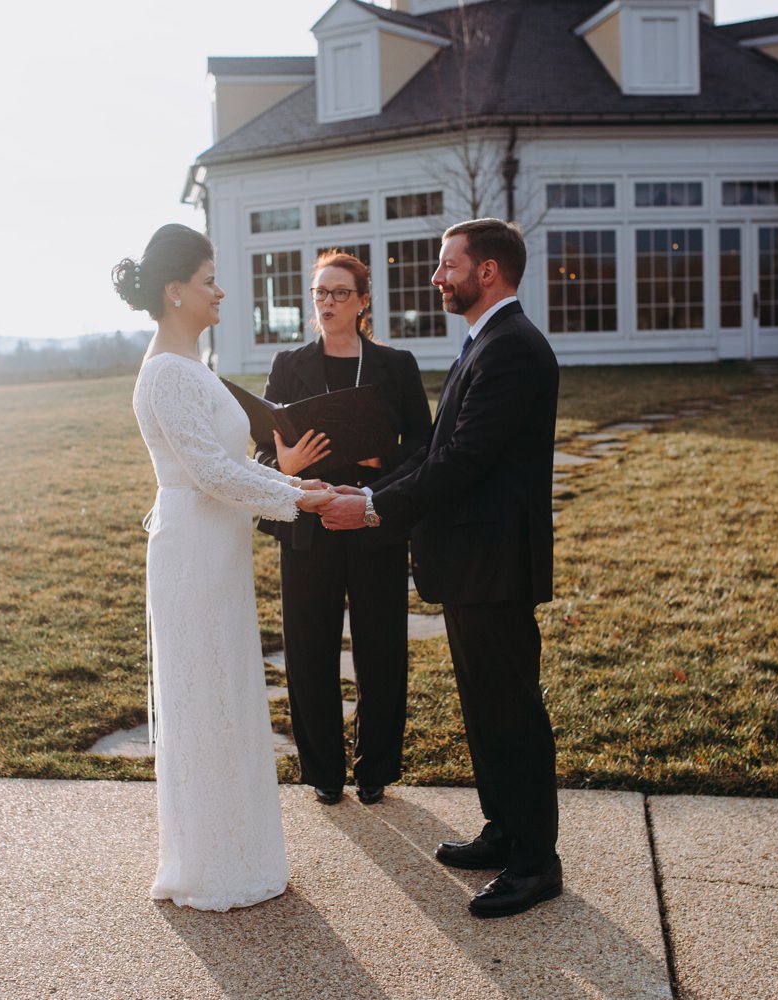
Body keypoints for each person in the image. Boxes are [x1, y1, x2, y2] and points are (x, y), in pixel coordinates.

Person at [321, 218, 561, 919]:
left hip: (494, 563)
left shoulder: (512, 349)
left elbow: (460, 464)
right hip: (470, 563)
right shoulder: (485, 342)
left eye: (447, 265)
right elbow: (434, 453)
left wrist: (369, 512)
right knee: (485, 708)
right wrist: (366, 493)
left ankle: (535, 863)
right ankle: (504, 829)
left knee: (511, 711)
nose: (436, 276)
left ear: (487, 271)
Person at [116, 223, 334, 911]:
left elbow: (225, 467)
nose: (220, 292)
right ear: (175, 291)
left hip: (217, 547)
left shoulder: (191, 369)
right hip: (192, 553)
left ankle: (239, 850)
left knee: (229, 689)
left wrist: (287, 481)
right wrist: (300, 499)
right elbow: (209, 473)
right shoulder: (165, 373)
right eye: (209, 280)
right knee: (205, 696)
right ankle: (209, 865)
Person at [253, 251, 432, 807]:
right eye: (319, 293)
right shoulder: (288, 364)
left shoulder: (395, 365)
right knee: (308, 649)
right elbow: (263, 450)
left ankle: (376, 767)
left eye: (339, 293)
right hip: (309, 525)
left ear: (362, 300)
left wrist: (381, 473)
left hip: (374, 521)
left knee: (381, 648)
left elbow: (424, 448)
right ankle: (324, 771)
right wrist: (287, 466)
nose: (327, 303)